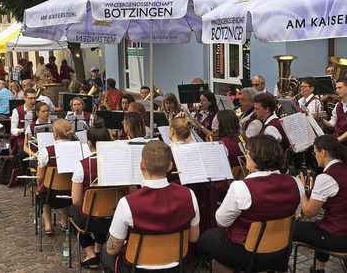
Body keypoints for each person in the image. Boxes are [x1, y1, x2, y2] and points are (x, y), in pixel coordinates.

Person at [197, 135, 303, 273]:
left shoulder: (241, 187)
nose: (245, 155)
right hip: (281, 251)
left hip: (248, 252)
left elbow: (221, 221)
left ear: (258, 158)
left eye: (247, 153)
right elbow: (293, 214)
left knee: (205, 240)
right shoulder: (295, 183)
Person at [102, 140, 200, 273]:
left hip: (136, 267)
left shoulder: (127, 203)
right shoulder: (189, 195)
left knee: (106, 252)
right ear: (170, 166)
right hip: (175, 265)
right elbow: (194, 238)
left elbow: (112, 249)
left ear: (142, 165)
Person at [293, 135, 347, 273]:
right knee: (323, 223)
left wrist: (302, 189)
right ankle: (318, 269)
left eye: (315, 152)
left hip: (341, 238)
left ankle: (279, 269)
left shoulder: (326, 177)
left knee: (289, 229)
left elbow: (309, 212)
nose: (314, 156)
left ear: (323, 152)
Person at [69, 117, 113, 268]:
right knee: (100, 208)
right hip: (113, 217)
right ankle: (98, 248)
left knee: (74, 210)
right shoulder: (118, 162)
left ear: (89, 144)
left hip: (91, 219)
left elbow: (76, 200)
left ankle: (90, 254)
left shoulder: (82, 166)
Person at [36, 119, 75, 235]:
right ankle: (64, 222)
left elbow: (40, 175)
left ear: (55, 134)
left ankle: (48, 225)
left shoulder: (46, 151)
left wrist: (39, 185)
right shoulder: (77, 149)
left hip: (50, 192)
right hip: (71, 190)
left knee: (43, 190)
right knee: (66, 186)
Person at [321, 78, 347, 145]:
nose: (337, 90)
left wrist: (336, 141)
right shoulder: (338, 105)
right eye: (336, 88)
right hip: (335, 138)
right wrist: (320, 119)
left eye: (339, 88)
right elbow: (332, 125)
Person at [10, 88, 37, 173]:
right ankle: (26, 172)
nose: (33, 101)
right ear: (24, 98)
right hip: (23, 138)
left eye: (34, 98)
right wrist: (21, 130)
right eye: (30, 98)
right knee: (22, 153)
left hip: (37, 138)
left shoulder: (38, 110)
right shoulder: (17, 111)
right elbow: (13, 130)